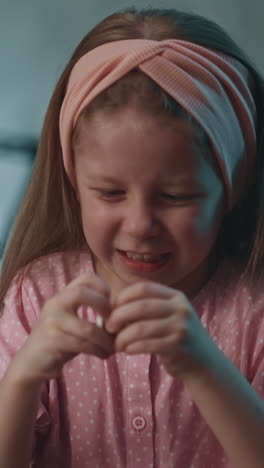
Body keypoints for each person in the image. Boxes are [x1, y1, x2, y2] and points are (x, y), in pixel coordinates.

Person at [1, 6, 264, 468]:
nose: (141, 224)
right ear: (73, 182)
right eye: (110, 192)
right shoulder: (35, 296)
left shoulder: (253, 314)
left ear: (231, 189)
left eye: (176, 196)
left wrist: (205, 368)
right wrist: (23, 377)